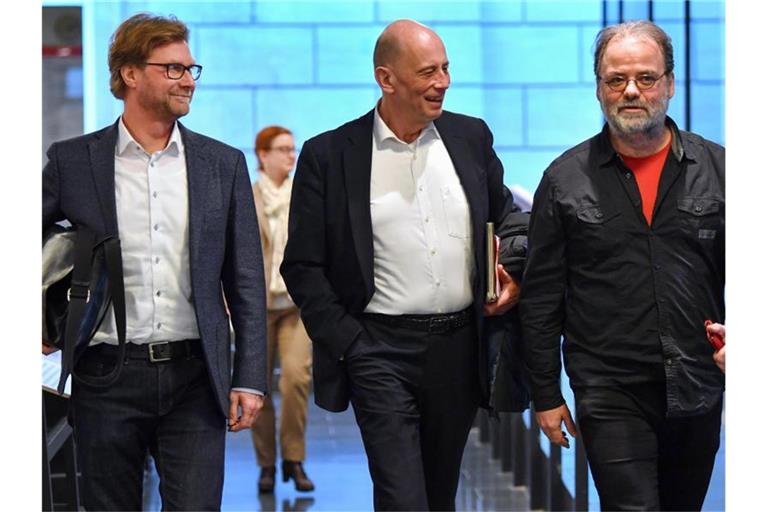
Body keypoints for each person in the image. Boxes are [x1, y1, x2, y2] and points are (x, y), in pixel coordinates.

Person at [280, 19, 528, 511]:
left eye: (446, 68)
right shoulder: (329, 155)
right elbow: (303, 266)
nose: (443, 82)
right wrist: (351, 343)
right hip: (378, 351)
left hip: (459, 347)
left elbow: (508, 215)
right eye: (428, 71)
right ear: (386, 78)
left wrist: (513, 273)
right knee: (401, 496)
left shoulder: (470, 137)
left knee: (439, 494)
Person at [41, 13, 268, 510]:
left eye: (192, 69)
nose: (189, 80)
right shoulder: (73, 162)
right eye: (174, 69)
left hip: (196, 376)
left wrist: (249, 376)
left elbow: (246, 279)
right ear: (130, 74)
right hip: (104, 376)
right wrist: (41, 318)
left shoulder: (222, 164)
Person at [519, 20, 725, 511]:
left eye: (646, 78)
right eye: (616, 79)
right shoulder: (565, 180)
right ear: (599, 89)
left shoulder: (721, 171)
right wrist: (546, 394)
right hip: (609, 389)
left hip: (696, 383)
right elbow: (542, 297)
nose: (631, 90)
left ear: (669, 85)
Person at [249, 126, 315, 493]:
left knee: (296, 378)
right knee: (254, 385)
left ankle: (293, 457)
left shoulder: (303, 195)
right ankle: (265, 465)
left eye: (293, 148)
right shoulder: (247, 194)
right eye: (283, 149)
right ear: (263, 154)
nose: (291, 155)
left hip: (295, 304)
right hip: (256, 306)